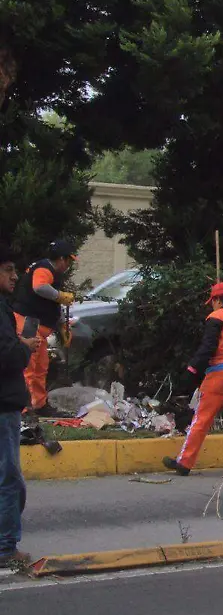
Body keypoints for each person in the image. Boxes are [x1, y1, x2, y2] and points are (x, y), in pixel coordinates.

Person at [163, 282, 223, 477]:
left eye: (211, 301)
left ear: (217, 300)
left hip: (220, 374)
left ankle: (184, 462)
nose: (211, 306)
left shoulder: (217, 317)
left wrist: (191, 370)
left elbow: (208, 348)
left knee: (201, 419)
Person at [0, 243, 39, 564]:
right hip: (3, 407)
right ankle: (5, 547)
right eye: (8, 269)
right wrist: (24, 348)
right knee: (9, 480)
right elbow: (6, 355)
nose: (15, 276)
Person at [12, 240, 76, 415]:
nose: (69, 265)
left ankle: (39, 404)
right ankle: (24, 408)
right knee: (28, 367)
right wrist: (60, 295)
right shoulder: (43, 268)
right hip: (28, 323)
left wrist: (62, 324)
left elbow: (53, 304)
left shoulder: (52, 273)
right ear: (61, 259)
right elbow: (39, 287)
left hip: (38, 326)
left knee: (40, 367)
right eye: (68, 261)